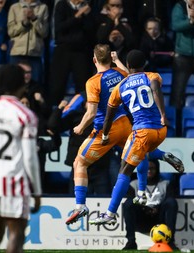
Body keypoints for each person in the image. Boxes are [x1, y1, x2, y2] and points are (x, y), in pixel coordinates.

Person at [66, 46, 183, 225]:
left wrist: (81, 127)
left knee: (80, 163)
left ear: (94, 60)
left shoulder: (93, 82)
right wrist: (119, 62)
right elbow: (135, 77)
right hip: (127, 125)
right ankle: (145, 185)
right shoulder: (122, 74)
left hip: (109, 128)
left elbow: (92, 112)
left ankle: (82, 205)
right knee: (139, 151)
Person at [88, 49, 170, 225]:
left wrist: (106, 133)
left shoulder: (120, 86)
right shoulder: (152, 75)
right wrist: (163, 114)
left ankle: (110, 213)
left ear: (129, 65)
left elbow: (109, 115)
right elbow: (155, 89)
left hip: (143, 132)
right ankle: (142, 190)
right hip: (160, 131)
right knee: (137, 150)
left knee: (124, 169)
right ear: (144, 64)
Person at [0, 64, 41, 253]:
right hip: (14, 179)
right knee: (16, 235)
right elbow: (30, 157)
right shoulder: (25, 115)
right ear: (21, 83)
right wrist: (37, 191)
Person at [122, 159, 179, 250]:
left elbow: (169, 200)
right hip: (141, 219)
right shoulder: (133, 184)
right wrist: (145, 208)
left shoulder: (166, 184)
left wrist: (157, 208)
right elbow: (131, 200)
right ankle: (131, 242)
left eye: (152, 168)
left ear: (157, 170)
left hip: (160, 220)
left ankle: (170, 242)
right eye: (146, 169)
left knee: (171, 202)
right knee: (128, 204)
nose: (149, 171)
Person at [48, 0, 96, 105]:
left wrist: (86, 16)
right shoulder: (61, 5)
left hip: (81, 52)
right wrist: (78, 15)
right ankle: (55, 112)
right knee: (57, 85)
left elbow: (91, 31)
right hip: (63, 50)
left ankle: (82, 113)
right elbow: (60, 28)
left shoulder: (88, 8)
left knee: (83, 85)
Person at [8, 0, 49, 83]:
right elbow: (11, 32)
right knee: (15, 83)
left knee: (35, 84)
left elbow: (44, 32)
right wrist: (24, 23)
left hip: (35, 54)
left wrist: (34, 19)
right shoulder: (14, 7)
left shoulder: (43, 8)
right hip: (17, 53)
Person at [18, 62, 51, 136]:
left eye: (29, 72)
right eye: (24, 73)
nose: (26, 75)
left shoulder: (38, 87)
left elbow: (48, 111)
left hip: (34, 124)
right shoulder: (12, 88)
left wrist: (41, 101)